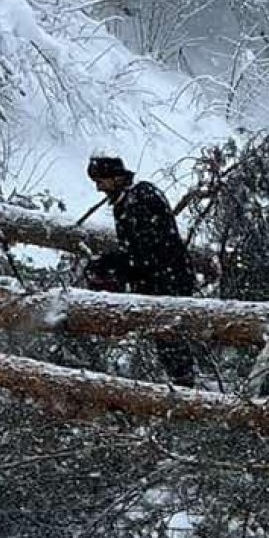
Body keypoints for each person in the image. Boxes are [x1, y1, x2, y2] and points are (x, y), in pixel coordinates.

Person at [83, 155, 197, 387]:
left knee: (170, 337)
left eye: (101, 181)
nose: (98, 188)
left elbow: (145, 252)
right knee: (166, 338)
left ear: (116, 178)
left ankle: (186, 388)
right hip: (158, 280)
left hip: (166, 281)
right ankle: (183, 384)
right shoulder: (128, 201)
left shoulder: (139, 199)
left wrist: (111, 264)